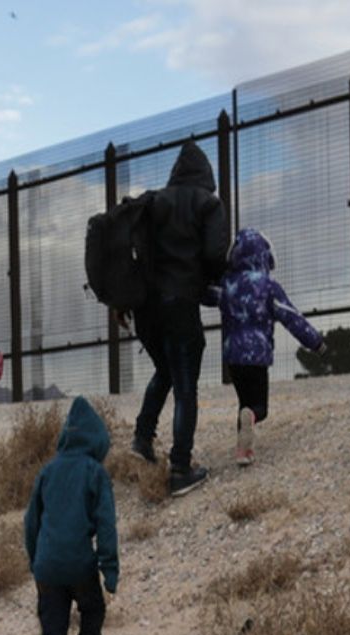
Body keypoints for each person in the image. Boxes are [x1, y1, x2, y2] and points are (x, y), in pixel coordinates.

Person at [125, 140, 229, 497]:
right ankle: (181, 468)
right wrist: (212, 279)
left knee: (165, 372)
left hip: (145, 310)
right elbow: (216, 254)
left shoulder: (153, 202)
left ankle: (142, 439)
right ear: (207, 176)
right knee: (186, 386)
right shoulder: (208, 204)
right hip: (179, 304)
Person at [22, 397, 118, 635]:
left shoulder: (47, 471)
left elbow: (30, 523)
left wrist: (36, 563)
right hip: (79, 562)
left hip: (47, 567)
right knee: (93, 610)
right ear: (97, 442)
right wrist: (110, 569)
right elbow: (106, 525)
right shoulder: (95, 472)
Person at [206, 229, 323, 468]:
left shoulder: (227, 284)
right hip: (257, 355)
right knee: (259, 407)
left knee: (244, 401)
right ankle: (250, 425)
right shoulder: (269, 287)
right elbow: (291, 317)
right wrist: (315, 342)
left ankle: (243, 450)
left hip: (232, 356)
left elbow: (204, 294)